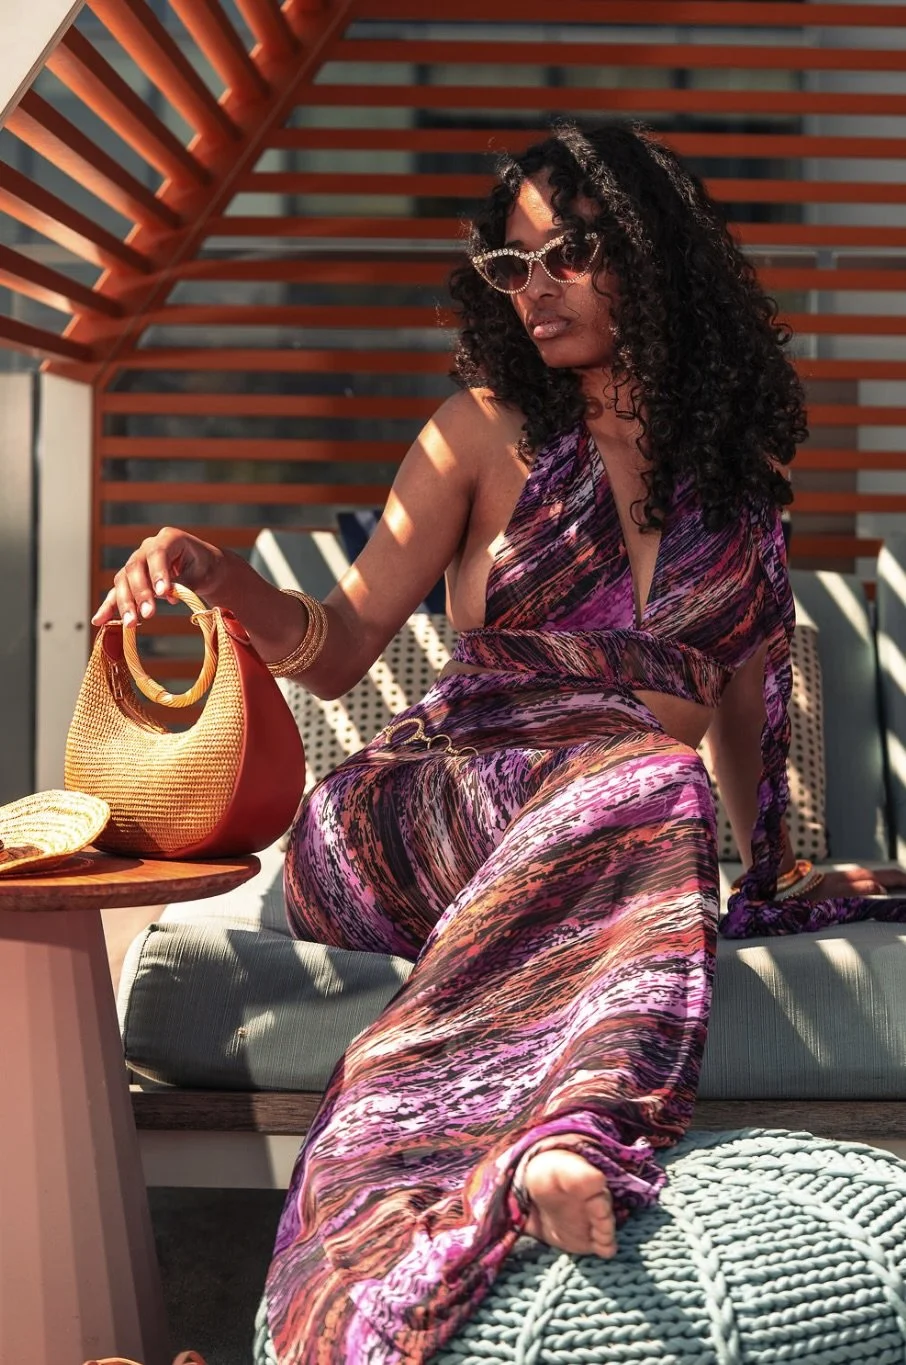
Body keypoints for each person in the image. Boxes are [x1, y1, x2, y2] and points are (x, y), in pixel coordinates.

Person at [93, 121, 906, 1364]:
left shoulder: (745, 491)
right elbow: (339, 643)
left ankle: (555, 1144)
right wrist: (217, 573)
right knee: (645, 777)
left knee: (647, 785)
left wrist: (773, 877)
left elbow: (743, 712)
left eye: (570, 253)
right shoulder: (477, 430)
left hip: (603, 829)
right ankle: (576, 1125)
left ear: (652, 254)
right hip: (413, 813)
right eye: (511, 266)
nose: (536, 290)